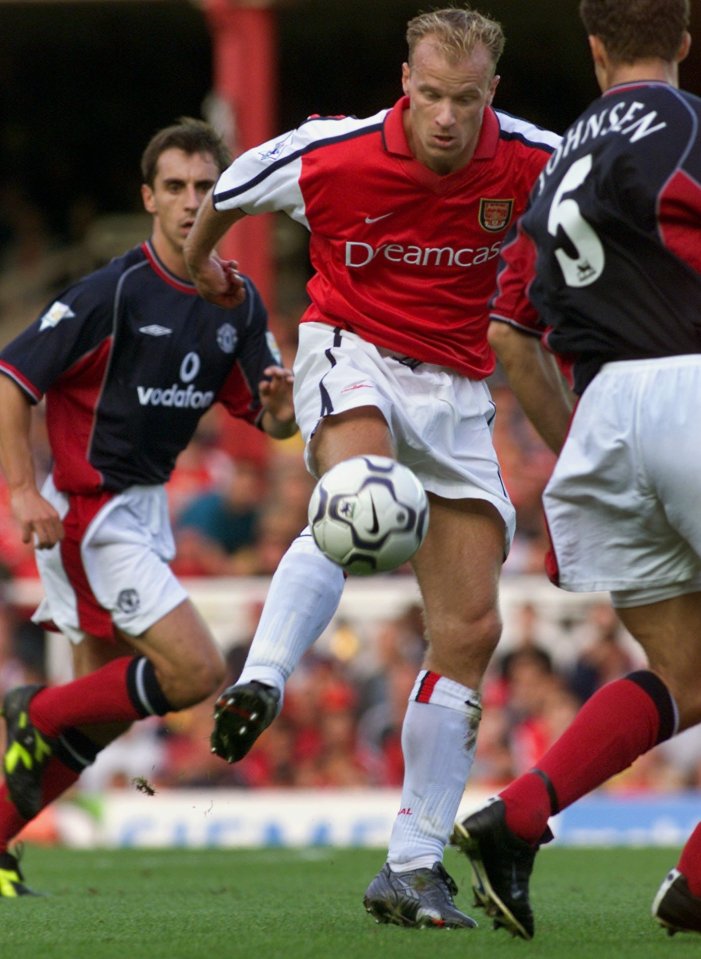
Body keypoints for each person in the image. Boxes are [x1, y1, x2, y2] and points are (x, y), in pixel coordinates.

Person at [184, 6, 561, 928]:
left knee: (470, 627)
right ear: (404, 81)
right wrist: (201, 271)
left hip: (463, 390)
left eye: (463, 100)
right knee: (362, 495)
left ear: (491, 96)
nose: (444, 115)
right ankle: (265, 673)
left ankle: (411, 862)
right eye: (429, 93)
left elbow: (626, 195)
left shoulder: (532, 157)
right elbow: (228, 188)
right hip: (352, 350)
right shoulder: (332, 153)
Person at [451, 0, 701, 940]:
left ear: (595, 50)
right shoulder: (689, 127)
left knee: (685, 670)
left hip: (601, 418)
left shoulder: (556, 163)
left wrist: (589, 449)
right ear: (683, 38)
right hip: (690, 385)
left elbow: (509, 337)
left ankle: (515, 816)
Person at [0, 117, 297, 897]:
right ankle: (33, 706)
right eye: (175, 187)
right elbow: (12, 376)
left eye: (206, 187)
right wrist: (22, 488)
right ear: (149, 198)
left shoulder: (237, 302)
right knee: (194, 668)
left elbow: (269, 419)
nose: (192, 201)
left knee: (100, 715)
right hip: (88, 512)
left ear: (227, 195)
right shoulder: (112, 291)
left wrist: (284, 405)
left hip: (138, 510)